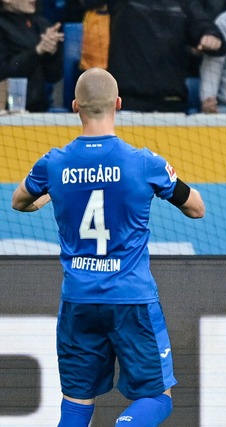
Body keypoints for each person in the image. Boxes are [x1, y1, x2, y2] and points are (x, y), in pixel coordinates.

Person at [11, 68, 205, 426]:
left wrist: (47, 198)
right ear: (118, 104)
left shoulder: (53, 163)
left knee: (76, 403)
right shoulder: (144, 162)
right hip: (131, 298)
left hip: (79, 299)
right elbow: (197, 208)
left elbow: (19, 201)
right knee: (157, 398)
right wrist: (162, 188)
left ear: (74, 107)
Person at [104, 0, 226, 113]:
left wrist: (211, 36)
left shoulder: (185, 3)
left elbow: (205, 27)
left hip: (170, 104)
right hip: (127, 104)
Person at [0, 0, 64, 112]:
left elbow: (54, 76)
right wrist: (38, 50)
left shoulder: (42, 24)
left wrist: (52, 52)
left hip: (40, 109)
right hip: (6, 111)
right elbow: (4, 72)